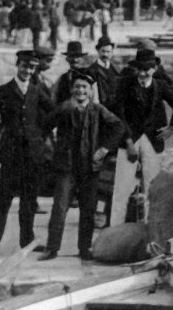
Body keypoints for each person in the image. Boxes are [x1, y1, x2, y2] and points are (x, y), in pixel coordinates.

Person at [40, 70, 126, 261]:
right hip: (66, 167)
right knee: (60, 208)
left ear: (90, 90)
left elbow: (118, 127)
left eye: (84, 87)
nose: (80, 90)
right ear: (72, 89)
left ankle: (84, 248)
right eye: (77, 87)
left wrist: (104, 149)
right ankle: (52, 248)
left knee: (88, 209)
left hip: (90, 168)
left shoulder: (97, 110)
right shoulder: (64, 108)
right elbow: (44, 126)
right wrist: (52, 149)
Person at [0, 50, 53, 257]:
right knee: (3, 200)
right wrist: (0, 129)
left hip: (32, 155)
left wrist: (38, 134)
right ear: (17, 66)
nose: (28, 70)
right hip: (11, 154)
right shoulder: (3, 91)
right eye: (25, 66)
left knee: (28, 201)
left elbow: (53, 113)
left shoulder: (37, 91)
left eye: (32, 67)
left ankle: (27, 242)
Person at [111, 48, 173, 223]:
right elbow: (119, 115)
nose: (143, 73)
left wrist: (171, 128)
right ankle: (115, 231)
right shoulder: (125, 84)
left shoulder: (161, 86)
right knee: (122, 188)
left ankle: (151, 230)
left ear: (154, 69)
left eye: (147, 69)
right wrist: (128, 143)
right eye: (139, 69)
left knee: (152, 187)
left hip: (153, 140)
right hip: (130, 139)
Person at [88, 35, 121, 110]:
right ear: (98, 51)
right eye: (103, 51)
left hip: (115, 108)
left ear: (112, 52)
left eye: (108, 52)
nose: (105, 54)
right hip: (100, 109)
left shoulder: (117, 70)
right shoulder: (91, 71)